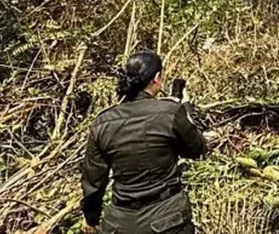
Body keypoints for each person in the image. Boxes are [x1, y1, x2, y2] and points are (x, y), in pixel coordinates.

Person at [80, 50, 206, 234]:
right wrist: (186, 108)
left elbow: (93, 180)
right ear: (156, 79)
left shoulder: (102, 123)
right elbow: (198, 149)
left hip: (120, 224)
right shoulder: (170, 112)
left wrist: (91, 218)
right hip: (168, 219)